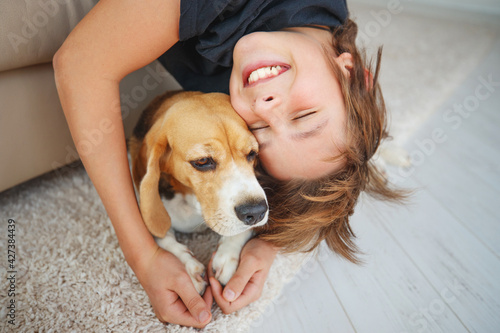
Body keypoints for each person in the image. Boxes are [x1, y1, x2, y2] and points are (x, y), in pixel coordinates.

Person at [53, 0, 402, 328]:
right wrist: (142, 256)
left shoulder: (298, 55)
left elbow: (299, 171)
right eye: (305, 115)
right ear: (352, 72)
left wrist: (267, 242)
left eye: (257, 134)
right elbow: (79, 63)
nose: (265, 105)